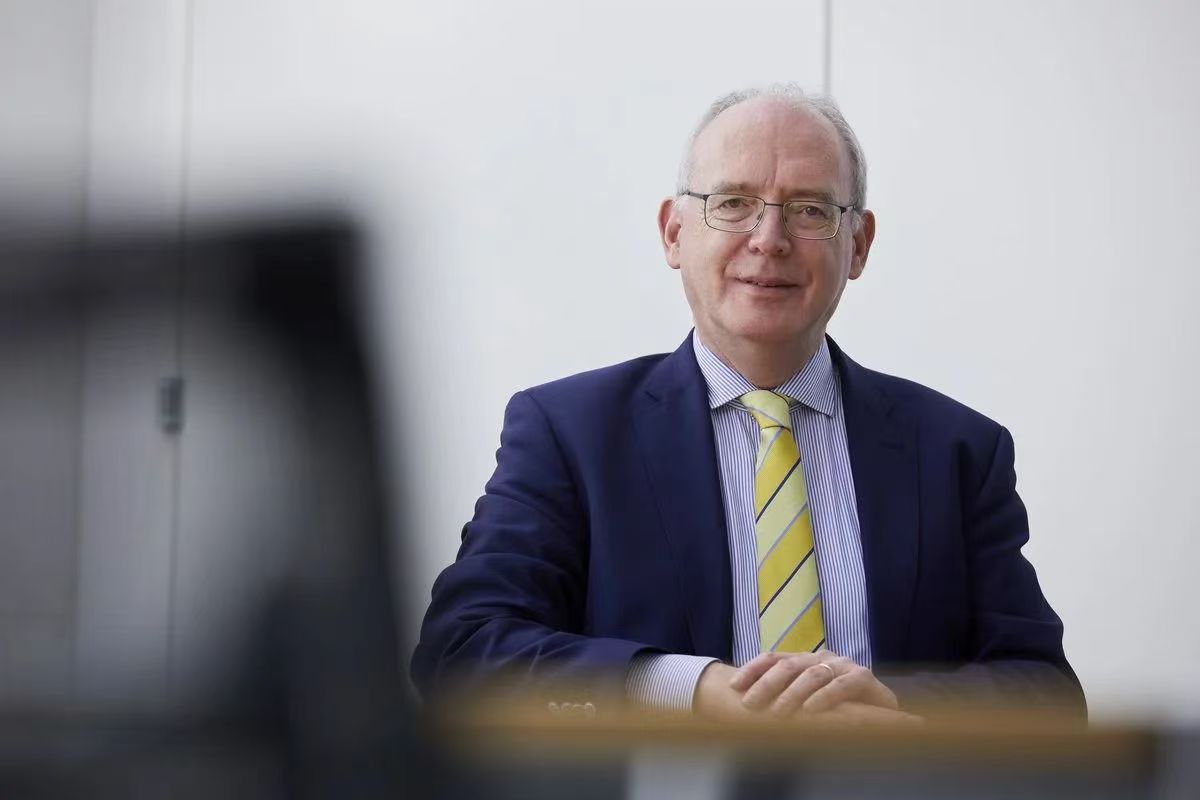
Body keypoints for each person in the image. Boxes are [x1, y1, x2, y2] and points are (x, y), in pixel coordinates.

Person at [411, 84, 1084, 722]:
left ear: (858, 244)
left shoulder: (956, 451)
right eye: (732, 203)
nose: (769, 238)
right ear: (674, 233)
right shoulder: (570, 433)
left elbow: (1045, 692)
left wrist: (892, 708)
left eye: (811, 209)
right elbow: (464, 651)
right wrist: (692, 690)